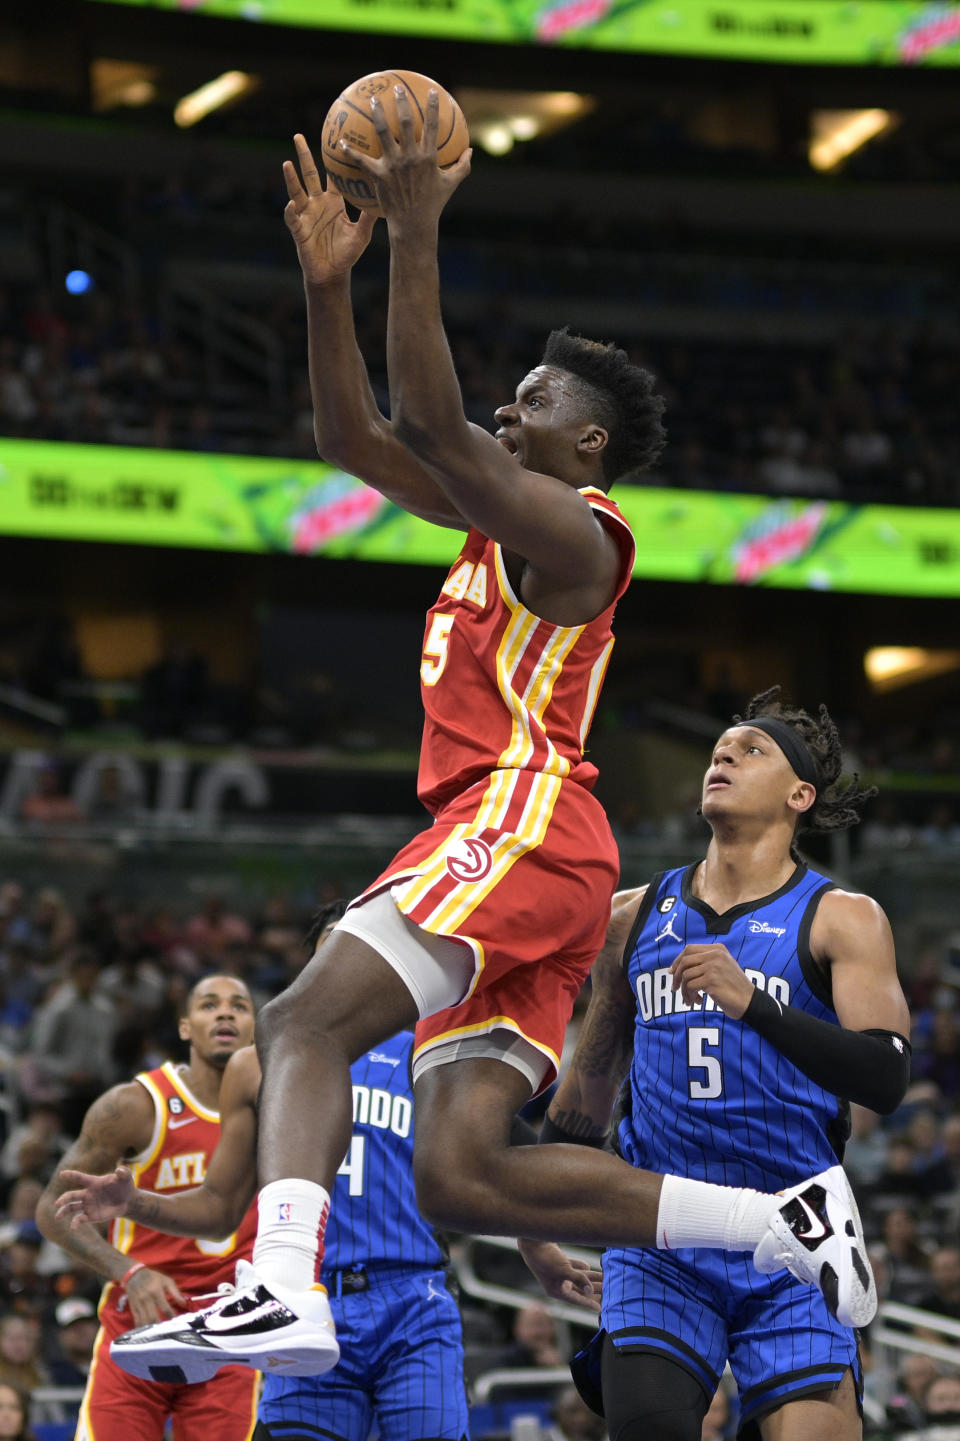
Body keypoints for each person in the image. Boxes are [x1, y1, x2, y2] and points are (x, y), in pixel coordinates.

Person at [106, 97, 872, 1384]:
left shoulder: (581, 533)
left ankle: (277, 1283)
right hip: (532, 853)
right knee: (459, 1176)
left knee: (299, 1024)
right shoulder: (492, 527)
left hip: (518, 818)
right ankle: (780, 1222)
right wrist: (322, 286)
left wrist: (415, 229)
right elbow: (355, 436)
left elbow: (431, 415)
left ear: (588, 442)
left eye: (532, 401)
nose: (507, 415)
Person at [538, 687, 912, 1441]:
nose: (724, 757)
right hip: (661, 1232)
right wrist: (529, 1222)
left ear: (800, 794)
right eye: (719, 749)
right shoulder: (632, 916)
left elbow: (886, 1076)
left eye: (751, 749)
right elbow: (592, 1080)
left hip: (799, 1236)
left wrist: (757, 1005)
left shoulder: (843, 914)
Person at [56, 902, 493, 1440]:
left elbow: (493, 1163)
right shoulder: (258, 1064)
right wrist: (135, 1203)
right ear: (313, 967)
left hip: (410, 1300)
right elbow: (218, 1210)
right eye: (339, 948)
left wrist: (539, 1249)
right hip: (299, 1306)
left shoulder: (429, 1055)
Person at [35, 974, 259, 1441]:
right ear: (184, 1027)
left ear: (255, 1028)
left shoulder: (276, 1109)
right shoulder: (136, 1105)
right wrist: (128, 1271)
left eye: (239, 1006)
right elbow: (52, 1209)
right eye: (209, 1005)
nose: (224, 1013)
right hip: (138, 1324)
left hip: (230, 1332)